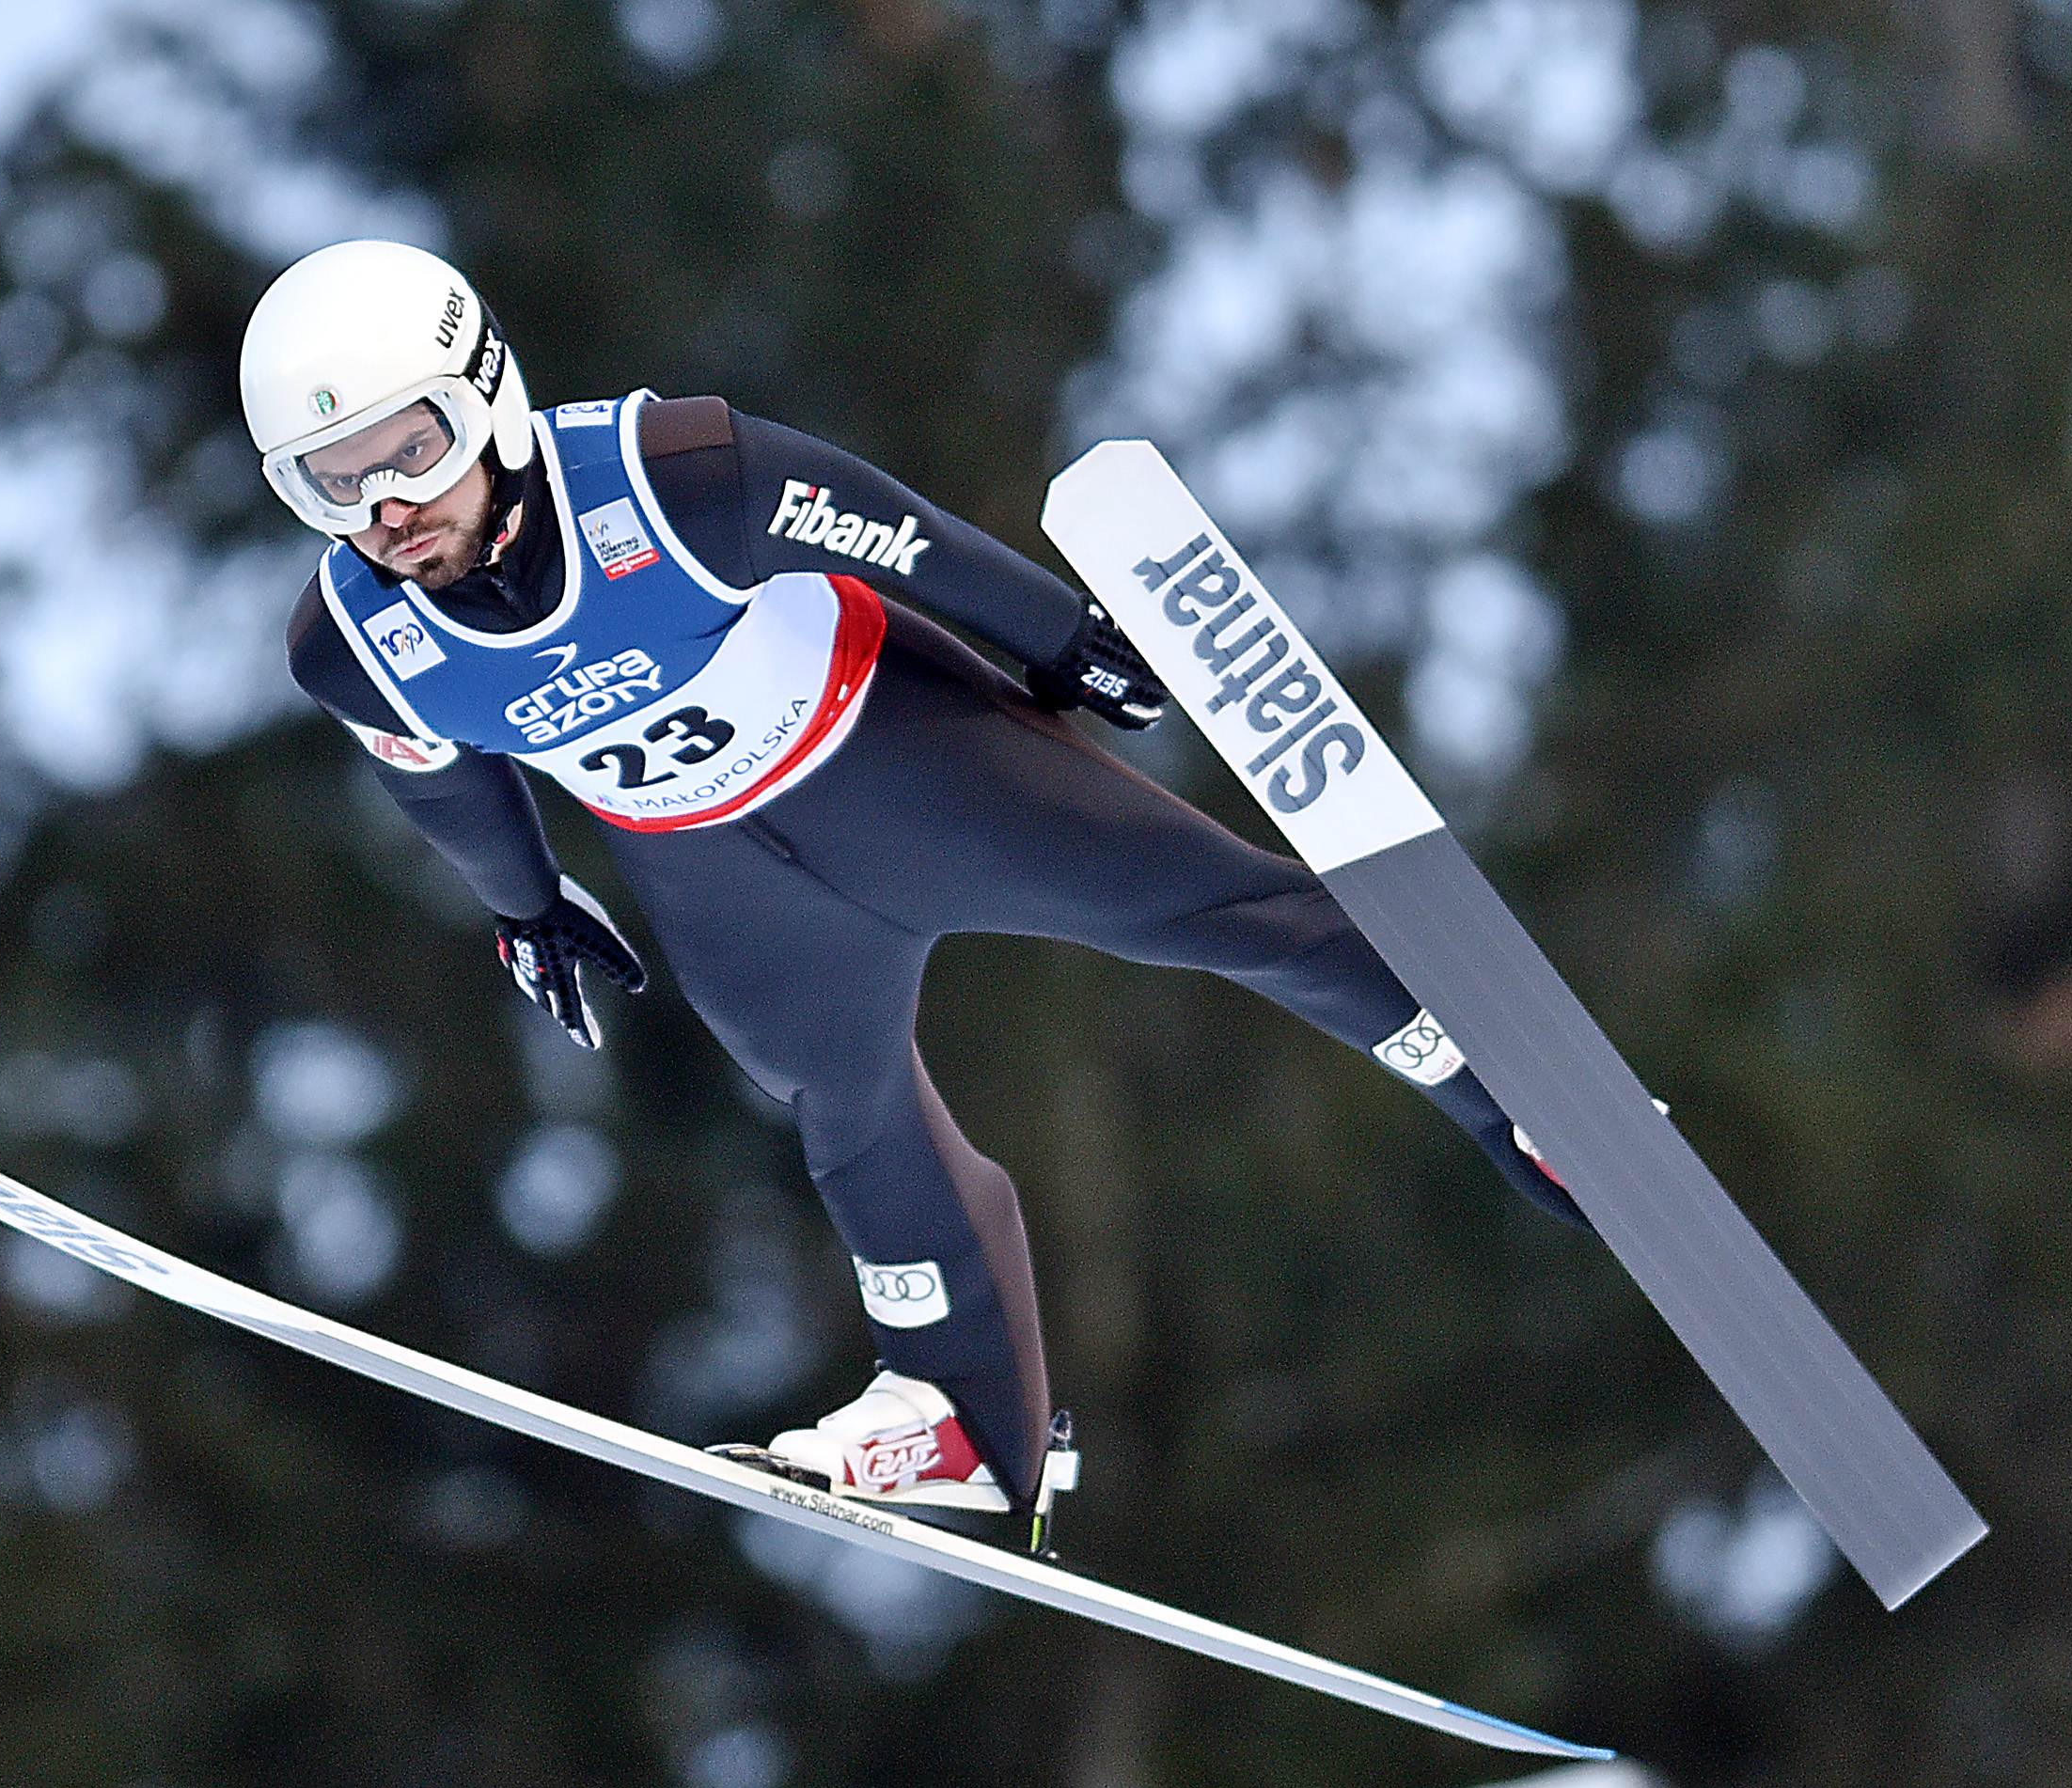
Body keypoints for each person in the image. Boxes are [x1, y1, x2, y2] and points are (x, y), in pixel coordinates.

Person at [243, 238, 1582, 1527]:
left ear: (485, 398)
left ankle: (1507, 1084)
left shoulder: (669, 478)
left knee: (1210, 907)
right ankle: (960, 1416)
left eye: (406, 451)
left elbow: (898, 533)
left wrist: (1065, 640)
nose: (385, 510)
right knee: (846, 1109)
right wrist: (525, 904)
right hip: (717, 872)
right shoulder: (355, 643)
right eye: (329, 481)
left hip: (895, 761)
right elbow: (443, 782)